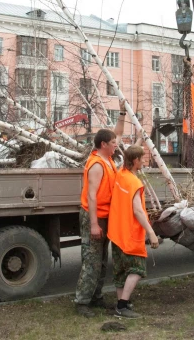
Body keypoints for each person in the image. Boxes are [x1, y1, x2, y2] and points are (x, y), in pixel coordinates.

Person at [74, 104, 128, 318]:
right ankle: (81, 302)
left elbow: (119, 132)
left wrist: (122, 113)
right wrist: (95, 223)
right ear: (103, 144)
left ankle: (96, 298)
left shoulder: (108, 159)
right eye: (113, 143)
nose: (117, 145)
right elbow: (91, 196)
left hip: (106, 216)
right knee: (92, 261)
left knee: (101, 260)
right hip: (94, 217)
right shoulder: (96, 164)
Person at [107, 146, 160, 319]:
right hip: (130, 233)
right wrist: (151, 232)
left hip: (116, 232)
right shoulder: (134, 183)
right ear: (136, 161)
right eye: (142, 158)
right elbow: (137, 210)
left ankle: (122, 302)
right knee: (137, 269)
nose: (144, 161)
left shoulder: (120, 175)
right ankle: (122, 306)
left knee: (121, 270)